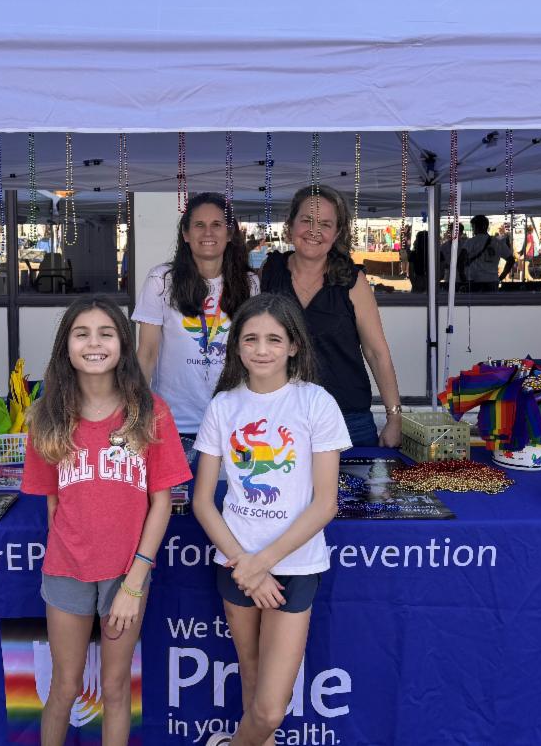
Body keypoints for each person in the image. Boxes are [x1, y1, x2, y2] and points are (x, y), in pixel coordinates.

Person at [20, 296, 191, 746]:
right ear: (66, 346)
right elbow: (53, 505)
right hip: (66, 570)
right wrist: (73, 551)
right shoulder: (47, 416)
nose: (94, 344)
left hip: (126, 573)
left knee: (115, 688)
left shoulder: (150, 411)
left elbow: (161, 503)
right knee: (64, 686)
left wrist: (134, 583)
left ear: (123, 344)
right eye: (82, 334)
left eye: (106, 333)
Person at [192, 294, 350, 746]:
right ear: (236, 346)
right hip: (235, 565)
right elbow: (202, 501)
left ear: (294, 345)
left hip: (293, 566)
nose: (262, 349)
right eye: (251, 339)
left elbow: (325, 503)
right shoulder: (223, 406)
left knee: (269, 709)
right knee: (252, 679)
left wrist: (261, 564)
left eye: (274, 339)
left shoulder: (316, 403)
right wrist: (245, 564)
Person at [260, 185, 403, 447]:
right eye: (306, 220)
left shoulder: (352, 280)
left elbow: (376, 352)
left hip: (347, 419)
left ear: (336, 233)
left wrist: (394, 417)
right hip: (281, 419)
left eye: (325, 224)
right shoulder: (270, 272)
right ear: (290, 225)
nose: (314, 231)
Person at [135, 193, 258, 439]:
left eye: (217, 225)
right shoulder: (162, 280)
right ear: (186, 234)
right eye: (199, 225)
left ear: (229, 233)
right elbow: (147, 353)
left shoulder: (249, 283)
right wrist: (135, 411)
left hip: (232, 420)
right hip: (174, 423)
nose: (208, 233)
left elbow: (253, 351)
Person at [460, 215, 515, 293]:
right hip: (492, 281)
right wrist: (501, 277)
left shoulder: (470, 242)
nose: (473, 230)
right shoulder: (498, 242)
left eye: (473, 227)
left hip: (474, 280)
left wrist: (463, 278)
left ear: (476, 227)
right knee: (491, 300)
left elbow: (460, 260)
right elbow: (511, 260)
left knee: (475, 300)